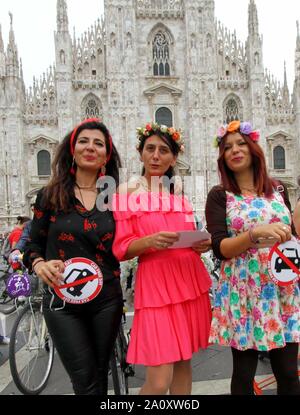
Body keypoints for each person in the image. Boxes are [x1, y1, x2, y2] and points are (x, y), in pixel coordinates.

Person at [23, 118, 123, 395]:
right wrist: (39, 264)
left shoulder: (117, 199)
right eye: (84, 141)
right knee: (85, 378)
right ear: (72, 149)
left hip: (107, 299)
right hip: (62, 301)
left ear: (107, 154)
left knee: (99, 373)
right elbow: (32, 244)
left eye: (98, 143)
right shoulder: (50, 195)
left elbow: (132, 240)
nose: (90, 147)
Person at [112, 122, 212, 395]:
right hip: (156, 286)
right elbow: (122, 247)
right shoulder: (127, 193)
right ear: (140, 153)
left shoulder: (177, 195)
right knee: (158, 381)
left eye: (164, 150)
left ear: (174, 157)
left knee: (183, 364)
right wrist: (149, 242)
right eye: (150, 149)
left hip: (188, 282)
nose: (156, 155)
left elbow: (187, 236)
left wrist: (201, 244)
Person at [206, 120, 300, 395]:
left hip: (281, 287)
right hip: (243, 289)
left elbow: (292, 234)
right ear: (222, 157)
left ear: (254, 148)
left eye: (241, 144)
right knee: (244, 374)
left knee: (288, 373)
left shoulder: (279, 189)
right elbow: (219, 248)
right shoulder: (220, 195)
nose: (235, 150)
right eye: (227, 147)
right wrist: (254, 235)